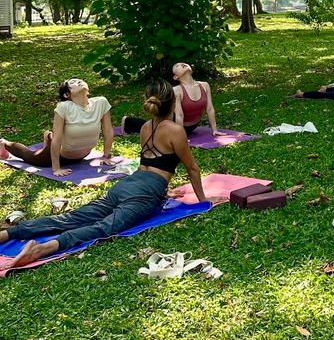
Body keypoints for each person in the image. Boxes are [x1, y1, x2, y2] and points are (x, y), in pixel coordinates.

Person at [0, 80, 225, 270]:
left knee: (73, 217)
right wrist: (203, 201)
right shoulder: (176, 131)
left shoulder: (146, 126)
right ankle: (44, 248)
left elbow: (152, 161)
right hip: (145, 192)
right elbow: (192, 169)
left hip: (127, 185)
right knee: (105, 227)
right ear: (174, 102)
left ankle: (9, 234)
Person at [0, 78, 115, 176]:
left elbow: (108, 132)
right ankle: (4, 143)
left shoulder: (101, 102)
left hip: (83, 154)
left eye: (80, 80)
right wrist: (56, 168)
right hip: (62, 155)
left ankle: (48, 135)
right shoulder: (64, 107)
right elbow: (57, 139)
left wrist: (106, 156)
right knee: (29, 156)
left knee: (60, 136)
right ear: (66, 95)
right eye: (73, 82)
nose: (79, 81)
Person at [122, 62, 224, 137]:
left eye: (183, 63)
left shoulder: (205, 85)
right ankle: (127, 122)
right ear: (176, 77)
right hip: (174, 125)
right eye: (177, 65)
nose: (182, 64)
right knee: (152, 130)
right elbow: (179, 115)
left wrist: (214, 130)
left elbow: (210, 108)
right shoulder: (177, 90)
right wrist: (180, 135)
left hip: (192, 126)